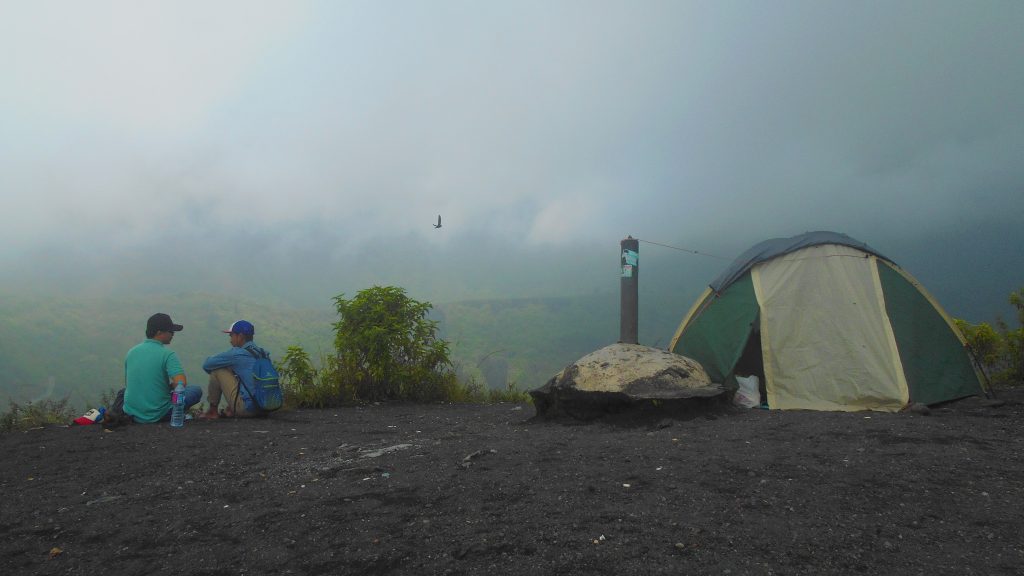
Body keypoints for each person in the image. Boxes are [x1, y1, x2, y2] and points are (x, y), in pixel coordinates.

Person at [123, 313, 203, 423]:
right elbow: (181, 383)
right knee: (195, 390)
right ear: (159, 333)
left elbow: (130, 383)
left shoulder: (131, 352)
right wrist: (169, 387)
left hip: (132, 413)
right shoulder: (167, 354)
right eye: (171, 331)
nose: (173, 334)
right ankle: (179, 414)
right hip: (160, 413)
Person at [200, 320, 268, 419]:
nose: (230, 340)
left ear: (240, 336)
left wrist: (227, 366)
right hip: (266, 408)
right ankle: (231, 409)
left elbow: (207, 365)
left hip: (248, 410)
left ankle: (212, 412)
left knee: (217, 371)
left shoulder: (237, 353)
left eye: (231, 335)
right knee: (240, 374)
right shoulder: (263, 352)